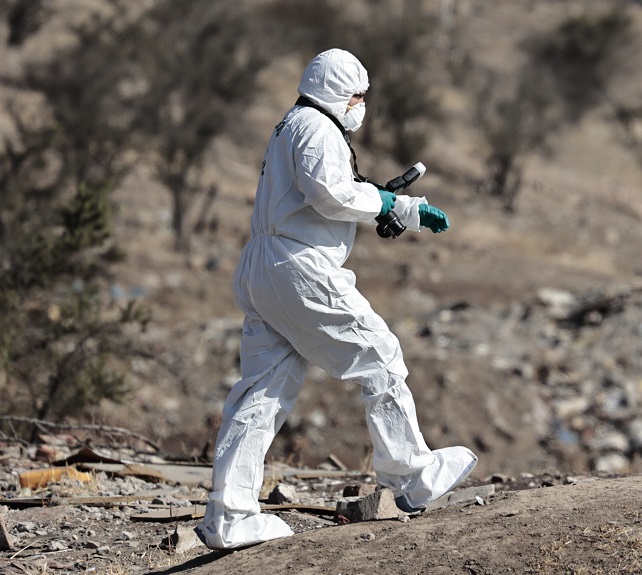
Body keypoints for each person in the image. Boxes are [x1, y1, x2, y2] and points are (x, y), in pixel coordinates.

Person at [196, 48, 476, 550]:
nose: (361, 105)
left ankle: (230, 514)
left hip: (265, 265)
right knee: (378, 353)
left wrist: (400, 207)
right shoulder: (317, 128)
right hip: (298, 269)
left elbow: (337, 193)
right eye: (357, 95)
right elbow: (331, 193)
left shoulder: (294, 124)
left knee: (262, 389)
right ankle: (410, 476)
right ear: (335, 92)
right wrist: (387, 203)